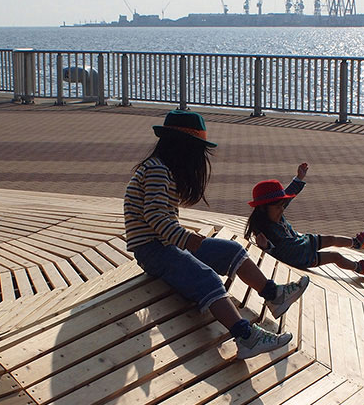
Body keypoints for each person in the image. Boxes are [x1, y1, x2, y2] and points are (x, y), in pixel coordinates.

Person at [124, 110, 309, 359]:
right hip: (152, 249)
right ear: (183, 148)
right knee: (206, 278)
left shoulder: (162, 169)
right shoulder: (157, 170)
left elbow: (161, 221)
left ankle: (274, 295)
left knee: (232, 251)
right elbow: (155, 218)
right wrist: (185, 239)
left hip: (165, 243)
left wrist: (183, 239)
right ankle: (246, 337)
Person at [244, 163, 364, 274]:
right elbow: (272, 253)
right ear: (263, 208)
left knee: (331, 238)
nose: (282, 209)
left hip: (302, 242)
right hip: (299, 256)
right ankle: (358, 267)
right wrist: (266, 247)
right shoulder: (263, 230)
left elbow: (288, 195)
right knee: (335, 256)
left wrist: (299, 178)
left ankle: (357, 243)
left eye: (282, 206)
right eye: (278, 207)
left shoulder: (272, 211)